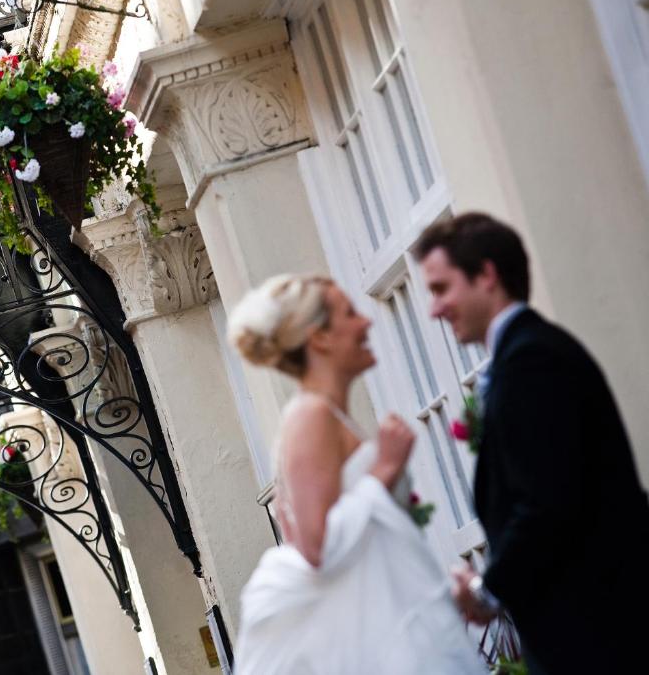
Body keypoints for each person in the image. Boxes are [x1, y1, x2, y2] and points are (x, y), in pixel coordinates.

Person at [415, 212, 649, 674]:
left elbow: (548, 502)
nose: (434, 309)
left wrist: (487, 592)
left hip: (600, 631)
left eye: (442, 288)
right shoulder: (522, 357)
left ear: (486, 274)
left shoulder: (533, 360)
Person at [230, 275, 485, 674]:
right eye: (349, 314)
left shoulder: (327, 416)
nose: (365, 323)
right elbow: (319, 548)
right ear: (320, 340)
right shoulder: (311, 416)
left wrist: (445, 597)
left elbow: (360, 570)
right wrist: (383, 469)